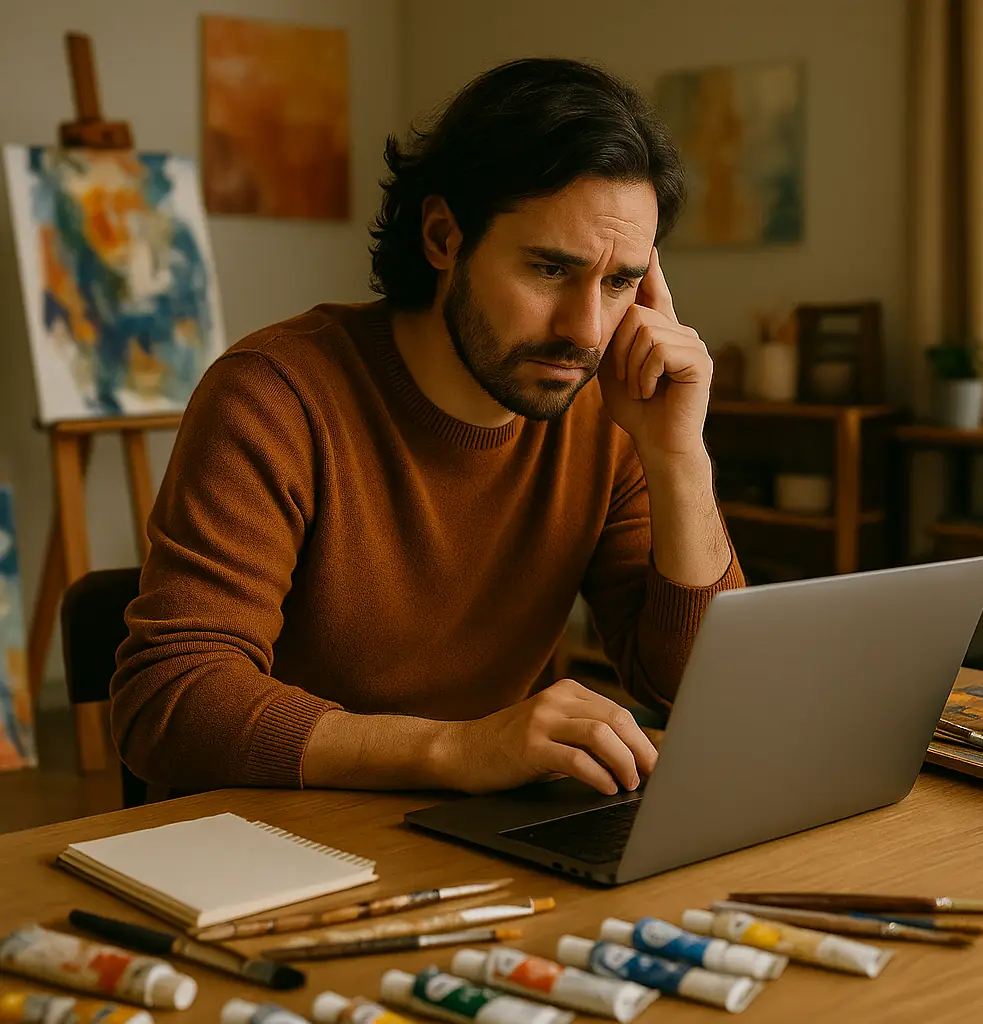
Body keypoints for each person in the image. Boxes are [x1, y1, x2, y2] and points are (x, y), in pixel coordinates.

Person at [111, 57, 743, 799]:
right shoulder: (274, 395)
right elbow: (171, 700)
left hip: (481, 843)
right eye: (547, 270)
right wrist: (454, 751)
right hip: (276, 841)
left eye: (618, 282)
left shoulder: (608, 412)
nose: (586, 329)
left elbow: (700, 694)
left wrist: (678, 459)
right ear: (443, 236)